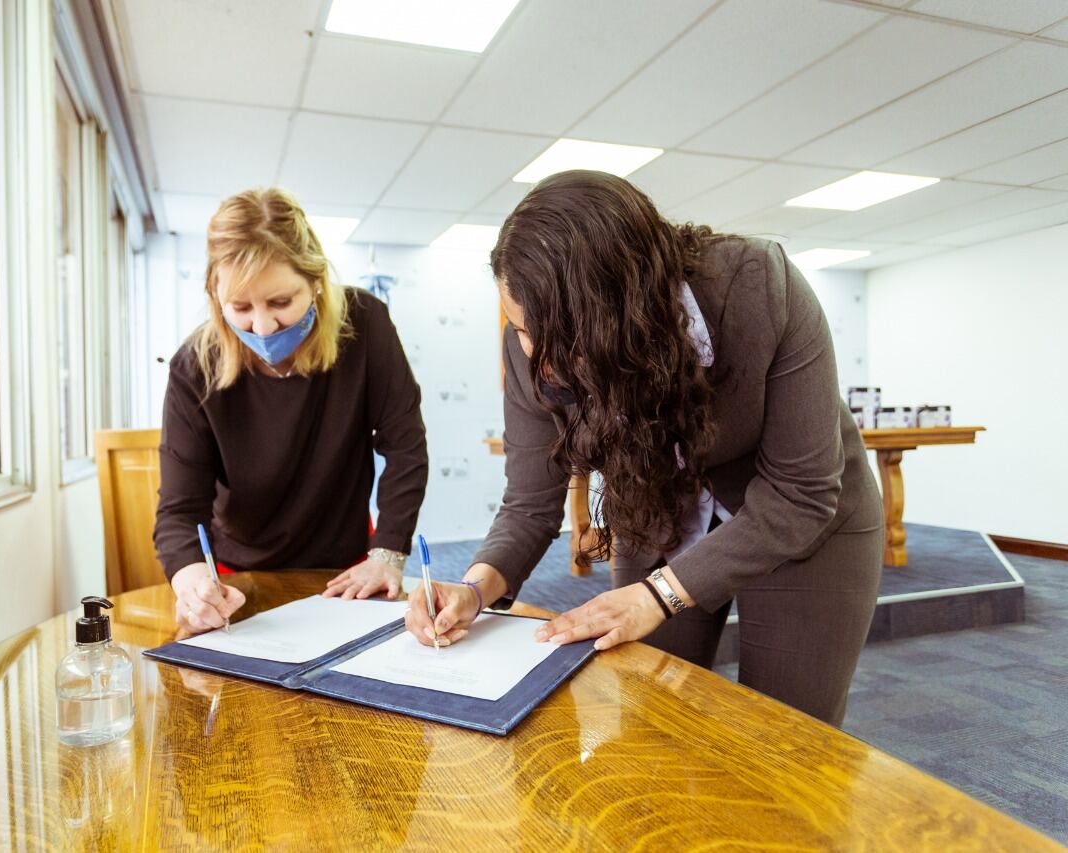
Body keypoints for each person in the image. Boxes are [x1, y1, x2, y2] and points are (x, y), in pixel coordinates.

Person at [406, 170, 883, 726]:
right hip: (656, 508)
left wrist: (657, 596)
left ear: (623, 312)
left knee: (785, 734)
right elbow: (530, 501)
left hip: (805, 520)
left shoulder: (760, 286)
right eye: (519, 329)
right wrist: (474, 588)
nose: (540, 358)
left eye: (558, 337)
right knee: (648, 718)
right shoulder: (531, 345)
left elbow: (801, 492)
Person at [155, 188, 429, 634]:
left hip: (346, 569)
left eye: (281, 302)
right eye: (240, 308)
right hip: (238, 573)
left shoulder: (366, 325)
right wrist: (191, 581)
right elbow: (179, 511)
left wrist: (388, 554)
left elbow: (406, 449)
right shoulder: (195, 365)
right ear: (214, 293)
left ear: (316, 280)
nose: (262, 327)